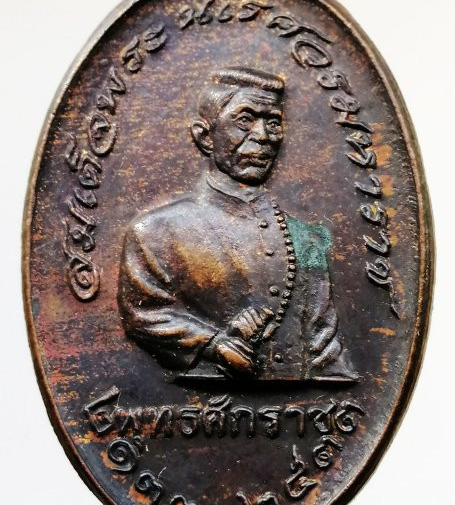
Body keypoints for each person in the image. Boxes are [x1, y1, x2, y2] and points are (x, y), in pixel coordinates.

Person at [118, 66, 356, 381]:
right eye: (245, 120)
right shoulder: (154, 232)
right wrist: (213, 345)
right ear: (204, 137)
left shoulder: (307, 239)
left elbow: (327, 351)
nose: (263, 136)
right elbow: (143, 316)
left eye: (273, 123)